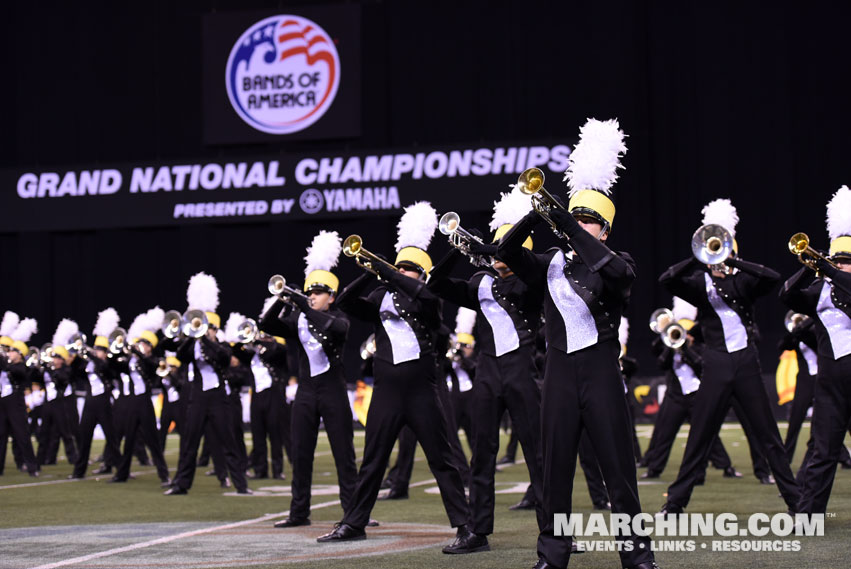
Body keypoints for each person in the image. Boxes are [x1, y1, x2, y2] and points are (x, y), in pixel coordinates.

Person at [498, 119, 657, 569]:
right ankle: (553, 555)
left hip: (603, 375)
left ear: (604, 230)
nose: (582, 226)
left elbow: (617, 277)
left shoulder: (616, 261)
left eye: (591, 221)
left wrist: (568, 223)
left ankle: (637, 556)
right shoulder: (547, 263)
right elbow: (506, 254)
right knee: (555, 474)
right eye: (578, 218)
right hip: (560, 375)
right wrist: (538, 211)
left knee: (619, 473)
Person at [318, 203, 470, 545]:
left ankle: (466, 527)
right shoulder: (379, 294)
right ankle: (353, 523)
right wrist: (373, 271)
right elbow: (344, 301)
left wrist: (393, 274)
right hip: (387, 391)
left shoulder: (429, 297)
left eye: (408, 269)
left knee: (442, 460)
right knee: (372, 461)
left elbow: (422, 296)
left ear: (422, 274)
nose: (401, 272)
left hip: (420, 389)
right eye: (398, 266)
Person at [659, 198, 799, 515]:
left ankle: (796, 503)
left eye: (721, 246)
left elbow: (772, 277)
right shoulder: (699, 284)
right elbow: (666, 279)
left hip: (747, 364)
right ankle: (676, 503)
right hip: (716, 364)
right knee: (699, 437)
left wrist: (734, 261)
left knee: (768, 436)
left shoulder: (743, 280)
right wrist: (698, 257)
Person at [428, 188, 545, 554]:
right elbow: (437, 285)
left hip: (522, 369)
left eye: (504, 250)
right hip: (488, 372)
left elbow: (521, 263)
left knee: (538, 453)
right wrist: (459, 247)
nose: (498, 257)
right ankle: (477, 531)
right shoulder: (481, 283)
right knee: (482, 454)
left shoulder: (531, 280)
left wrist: (492, 250)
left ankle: (557, 531)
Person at [260, 231, 358, 528]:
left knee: (344, 453)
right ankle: (298, 512)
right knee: (301, 453)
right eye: (310, 292)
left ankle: (353, 514)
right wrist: (284, 296)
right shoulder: (299, 318)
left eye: (318, 293)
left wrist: (304, 306)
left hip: (332, 390)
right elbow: (266, 323)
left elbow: (337, 331)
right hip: (305, 390)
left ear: (331, 296)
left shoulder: (339, 318)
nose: (312, 296)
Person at [780, 185, 851, 514]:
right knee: (823, 451)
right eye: (839, 260)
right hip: (830, 384)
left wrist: (834, 271)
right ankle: (809, 514)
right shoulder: (820, 290)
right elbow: (786, 295)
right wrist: (812, 264)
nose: (842, 266)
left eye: (847, 261)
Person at [164, 272, 251, 495]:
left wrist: (205, 339)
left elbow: (222, 358)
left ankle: (241, 485)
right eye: (205, 327)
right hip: (197, 398)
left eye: (211, 328)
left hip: (218, 398)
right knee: (189, 444)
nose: (207, 330)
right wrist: (192, 337)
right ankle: (182, 485)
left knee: (229, 442)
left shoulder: (221, 346)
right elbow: (180, 355)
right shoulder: (191, 345)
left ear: (215, 330)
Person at [0, 318, 40, 477]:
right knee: (1, 436)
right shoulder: (7, 362)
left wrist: (4, 359)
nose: (9, 353)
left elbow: (16, 372)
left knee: (22, 435)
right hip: (2, 401)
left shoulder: (22, 366)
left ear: (20, 354)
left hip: (15, 402)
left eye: (12, 351)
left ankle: (32, 467)